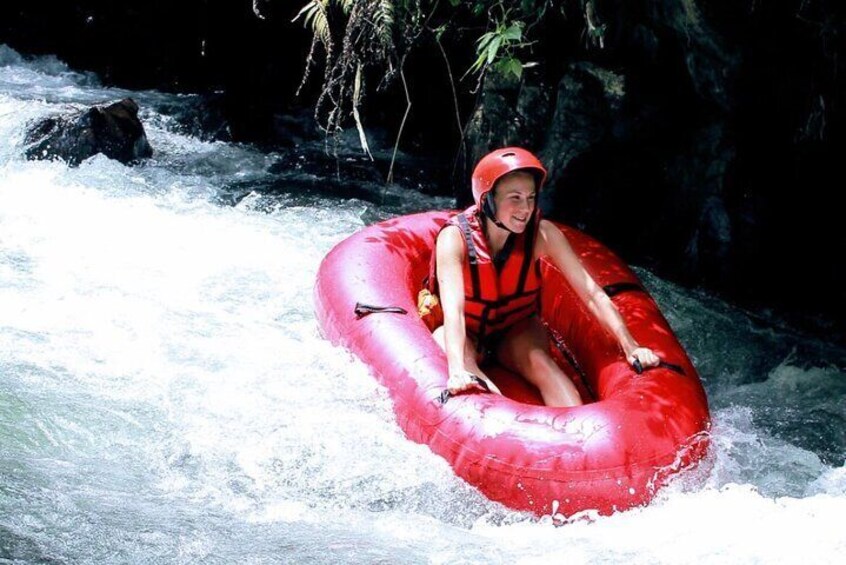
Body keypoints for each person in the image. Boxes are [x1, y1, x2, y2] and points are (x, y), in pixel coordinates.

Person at [422, 147, 659, 407]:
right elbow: (454, 311)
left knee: (540, 362)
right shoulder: (454, 239)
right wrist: (457, 369)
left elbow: (590, 293)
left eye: (531, 197)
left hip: (515, 331)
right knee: (450, 348)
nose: (525, 208)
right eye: (515, 198)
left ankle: (576, 432)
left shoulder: (543, 235)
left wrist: (630, 345)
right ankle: (497, 421)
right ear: (488, 200)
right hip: (468, 332)